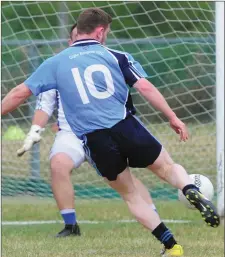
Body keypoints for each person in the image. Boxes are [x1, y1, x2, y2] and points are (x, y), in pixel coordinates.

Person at [2, 8, 220, 257]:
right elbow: (146, 87)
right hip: (126, 126)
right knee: (168, 169)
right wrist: (172, 117)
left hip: (95, 139)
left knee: (130, 194)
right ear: (100, 31)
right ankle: (189, 188)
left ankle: (172, 246)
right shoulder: (117, 56)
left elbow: (20, 93)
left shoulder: (55, 62)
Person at [16, 23, 158, 238]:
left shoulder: (105, 62)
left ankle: (155, 218)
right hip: (71, 133)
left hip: (103, 130)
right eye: (76, 39)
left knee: (124, 177)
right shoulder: (57, 66)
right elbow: (44, 104)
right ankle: (71, 226)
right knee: (58, 165)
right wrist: (35, 130)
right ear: (70, 42)